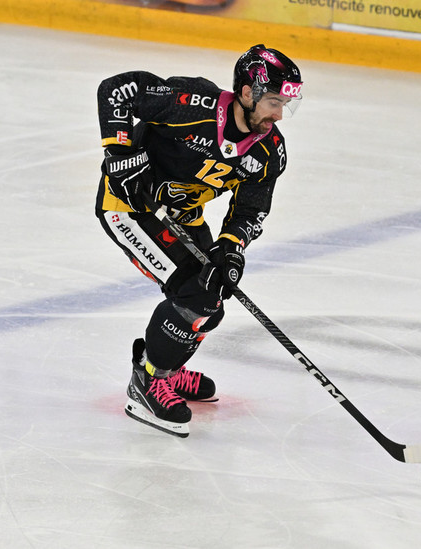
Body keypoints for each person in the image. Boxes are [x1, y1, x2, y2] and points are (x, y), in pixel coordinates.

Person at [95, 45, 303, 438]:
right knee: (195, 295)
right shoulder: (193, 104)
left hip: (183, 216)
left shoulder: (269, 151)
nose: (278, 115)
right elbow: (116, 91)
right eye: (274, 102)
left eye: (284, 104)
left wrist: (230, 248)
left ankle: (167, 367)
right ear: (247, 92)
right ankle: (148, 379)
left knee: (212, 299)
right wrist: (123, 154)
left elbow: (249, 211)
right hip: (129, 207)